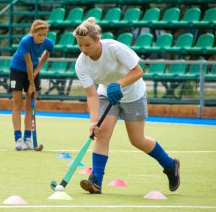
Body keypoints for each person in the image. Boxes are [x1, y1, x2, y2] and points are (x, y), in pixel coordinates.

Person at [73, 18, 180, 194]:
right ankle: (96, 181)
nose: (84, 50)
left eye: (87, 45)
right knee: (102, 134)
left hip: (133, 94)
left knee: (137, 140)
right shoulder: (81, 63)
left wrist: (120, 83)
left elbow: (139, 71)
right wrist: (93, 121)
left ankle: (170, 165)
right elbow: (91, 94)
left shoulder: (114, 48)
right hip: (107, 93)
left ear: (97, 40)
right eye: (80, 46)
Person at [10, 20, 54, 150]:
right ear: (32, 33)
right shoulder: (26, 41)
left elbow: (46, 55)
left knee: (30, 105)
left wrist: (37, 70)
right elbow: (28, 64)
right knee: (18, 103)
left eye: (45, 34)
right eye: (40, 34)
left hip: (32, 71)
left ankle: (28, 138)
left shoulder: (48, 43)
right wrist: (31, 84)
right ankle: (18, 139)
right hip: (18, 69)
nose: (43, 37)